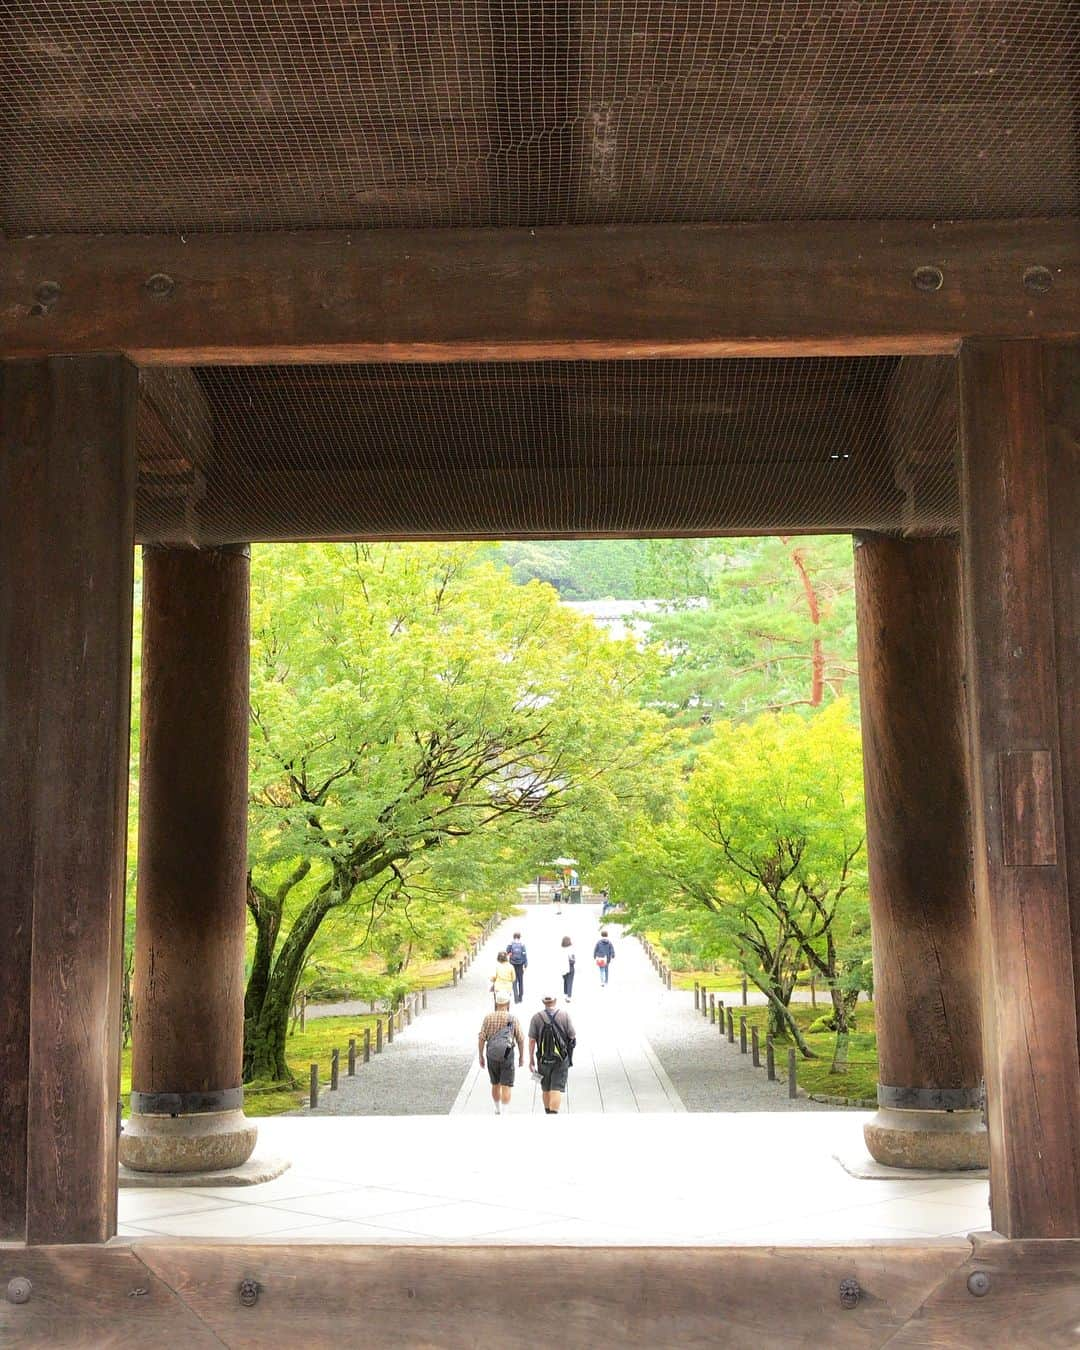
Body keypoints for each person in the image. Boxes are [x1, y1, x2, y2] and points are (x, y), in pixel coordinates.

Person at [528, 994, 576, 1114]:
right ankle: (553, 1115)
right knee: (556, 1088)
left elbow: (532, 1040)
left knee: (546, 1088)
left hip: (543, 1060)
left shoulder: (536, 1018)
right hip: (561, 1059)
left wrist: (531, 1060)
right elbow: (572, 1035)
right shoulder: (564, 1015)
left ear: (543, 1002)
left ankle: (547, 1112)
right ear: (555, 1000)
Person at [477, 991, 524, 1115]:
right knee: (506, 1085)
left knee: (495, 1083)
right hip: (507, 1055)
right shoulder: (512, 1018)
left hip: (491, 1055)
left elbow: (482, 1037)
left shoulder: (488, 1018)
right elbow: (520, 1038)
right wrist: (521, 1057)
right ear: (508, 1003)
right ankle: (505, 1111)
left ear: (496, 1003)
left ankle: (497, 1109)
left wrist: (481, 1055)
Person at [506, 931, 528, 1004]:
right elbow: (524, 954)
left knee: (514, 981)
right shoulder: (522, 944)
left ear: (513, 936)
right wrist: (525, 964)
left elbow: (507, 951)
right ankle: (520, 997)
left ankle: (516, 999)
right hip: (520, 965)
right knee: (521, 981)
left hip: (512, 964)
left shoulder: (511, 943)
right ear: (519, 937)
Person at [560, 934, 575, 1002]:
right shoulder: (570, 949)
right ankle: (568, 997)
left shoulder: (561, 949)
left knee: (565, 982)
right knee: (570, 982)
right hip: (570, 968)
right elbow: (572, 960)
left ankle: (565, 994)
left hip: (562, 968)